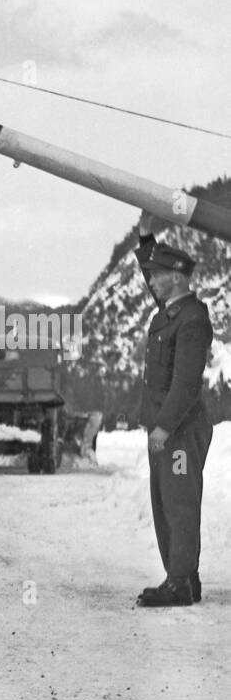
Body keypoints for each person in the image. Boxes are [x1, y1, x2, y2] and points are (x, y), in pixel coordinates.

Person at [134, 212, 213, 608]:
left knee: (179, 504)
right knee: (166, 502)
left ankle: (180, 584)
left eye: (158, 276)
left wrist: (163, 427)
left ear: (177, 278)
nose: (151, 281)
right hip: (168, 431)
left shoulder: (192, 320)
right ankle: (183, 578)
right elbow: (154, 270)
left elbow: (186, 382)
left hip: (179, 430)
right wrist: (146, 237)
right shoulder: (173, 311)